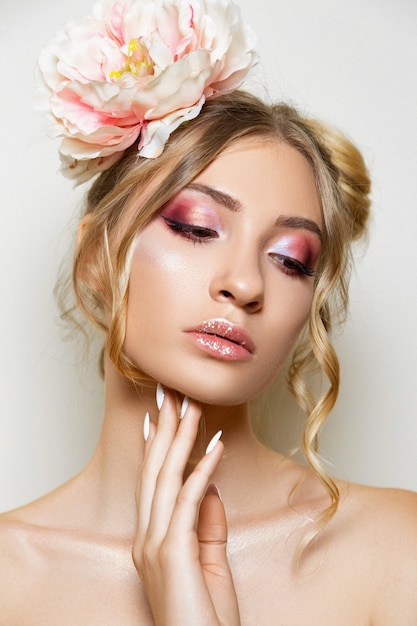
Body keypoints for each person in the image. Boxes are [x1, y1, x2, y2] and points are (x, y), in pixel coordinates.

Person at [1, 0, 417, 624]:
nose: (246, 283)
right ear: (96, 258)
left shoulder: (395, 550)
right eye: (197, 227)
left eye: (291, 259)